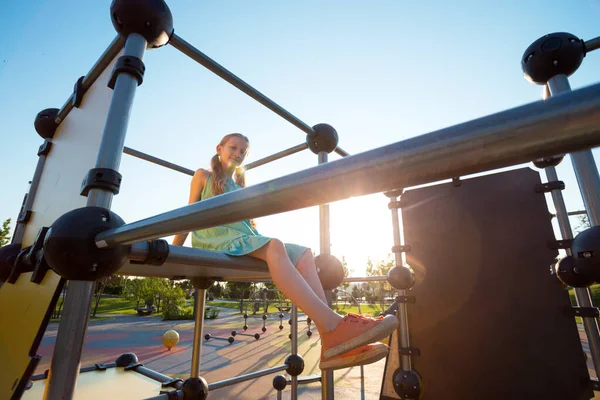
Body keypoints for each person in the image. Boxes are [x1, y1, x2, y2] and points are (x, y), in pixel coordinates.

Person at [172, 133, 398, 370]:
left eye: (243, 152)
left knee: (304, 254)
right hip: (215, 238)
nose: (238, 154)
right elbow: (189, 214)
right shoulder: (203, 176)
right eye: (233, 148)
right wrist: (175, 251)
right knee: (275, 244)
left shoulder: (239, 186)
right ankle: (335, 327)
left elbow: (246, 225)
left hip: (243, 238)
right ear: (219, 148)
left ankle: (331, 339)